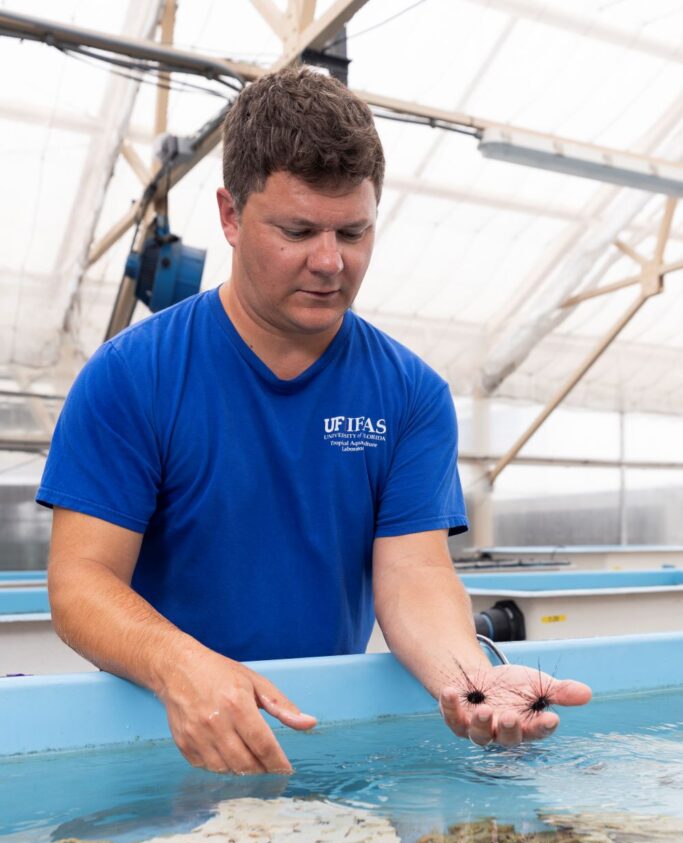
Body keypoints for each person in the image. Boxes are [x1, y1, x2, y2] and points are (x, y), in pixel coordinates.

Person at [37, 67, 591, 774]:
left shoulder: (409, 393)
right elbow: (80, 582)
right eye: (297, 230)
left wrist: (467, 679)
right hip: (159, 728)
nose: (330, 262)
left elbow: (413, 573)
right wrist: (180, 665)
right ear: (231, 216)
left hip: (313, 737)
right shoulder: (130, 377)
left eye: (353, 232)